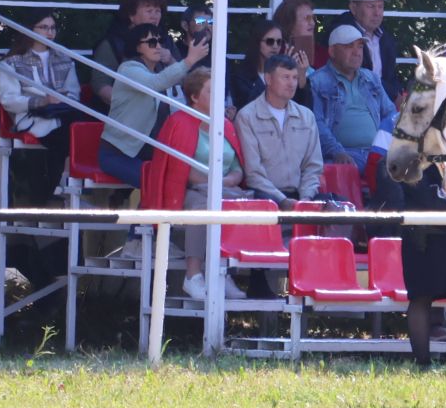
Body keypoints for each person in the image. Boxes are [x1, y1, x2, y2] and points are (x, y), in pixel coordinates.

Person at [0, 10, 80, 286]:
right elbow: (9, 99)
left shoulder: (63, 58)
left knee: (78, 127)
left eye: (52, 27)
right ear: (28, 30)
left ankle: (63, 181)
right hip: (33, 119)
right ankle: (61, 182)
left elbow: (74, 92)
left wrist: (59, 101)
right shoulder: (11, 62)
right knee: (64, 135)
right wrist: (38, 102)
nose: (49, 32)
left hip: (59, 115)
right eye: (43, 27)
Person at [154, 68, 251, 301]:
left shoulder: (226, 124)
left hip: (226, 189)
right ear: (195, 97)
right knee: (203, 209)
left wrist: (228, 180)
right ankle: (193, 275)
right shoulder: (177, 121)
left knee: (246, 206)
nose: (218, 95)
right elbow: (179, 169)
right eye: (211, 91)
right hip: (188, 191)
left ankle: (222, 272)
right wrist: (214, 183)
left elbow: (238, 166)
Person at [398, 143, 446, 369]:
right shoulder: (412, 144)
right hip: (424, 234)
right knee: (421, 298)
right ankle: (422, 364)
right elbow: (415, 188)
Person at [100, 23, 208, 186]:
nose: (158, 46)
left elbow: (187, 84)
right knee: (158, 185)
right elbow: (154, 83)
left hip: (147, 153)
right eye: (151, 42)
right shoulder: (128, 69)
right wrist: (189, 60)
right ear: (137, 47)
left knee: (180, 182)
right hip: (118, 154)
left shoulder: (157, 72)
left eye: (160, 41)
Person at [308, 23, 398, 206]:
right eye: (349, 46)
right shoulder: (317, 81)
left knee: (405, 169)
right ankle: (374, 223)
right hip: (345, 153)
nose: (357, 52)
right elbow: (315, 123)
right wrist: (337, 150)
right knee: (382, 172)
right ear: (332, 52)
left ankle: (403, 224)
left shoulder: (371, 78)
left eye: (360, 46)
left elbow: (391, 114)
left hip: (377, 152)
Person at [235, 54, 325, 207]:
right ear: (268, 79)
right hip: (264, 197)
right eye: (285, 77)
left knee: (341, 208)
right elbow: (253, 173)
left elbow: (313, 167)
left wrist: (306, 200)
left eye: (295, 78)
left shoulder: (306, 116)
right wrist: (282, 201)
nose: (292, 84)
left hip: (302, 196)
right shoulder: (247, 117)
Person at [91, 0, 169, 106]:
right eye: (149, 11)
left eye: (157, 11)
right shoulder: (111, 44)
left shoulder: (165, 41)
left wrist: (171, 60)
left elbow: (183, 79)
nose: (154, 16)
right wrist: (131, 105)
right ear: (131, 15)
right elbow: (100, 85)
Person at [325, 0, 402, 103]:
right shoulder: (342, 35)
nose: (377, 13)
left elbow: (391, 76)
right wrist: (392, 94)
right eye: (371, 6)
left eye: (380, 7)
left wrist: (398, 93)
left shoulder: (385, 37)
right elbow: (357, 77)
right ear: (354, 8)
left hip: (383, 103)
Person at [228, 18, 285, 115]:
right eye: (270, 41)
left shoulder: (284, 73)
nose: (275, 46)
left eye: (279, 42)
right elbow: (247, 106)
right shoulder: (240, 76)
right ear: (257, 42)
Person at [272, 0, 318, 110]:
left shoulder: (320, 52)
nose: (312, 23)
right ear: (290, 24)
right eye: (306, 18)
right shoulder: (276, 53)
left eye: (313, 18)